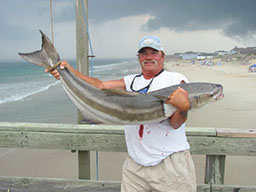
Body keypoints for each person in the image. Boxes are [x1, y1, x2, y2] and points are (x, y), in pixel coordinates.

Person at [46, 36, 196, 192]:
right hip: (135, 164)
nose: (149, 57)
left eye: (154, 52)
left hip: (169, 163)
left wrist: (183, 108)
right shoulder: (131, 81)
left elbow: (176, 124)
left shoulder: (176, 80)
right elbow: (100, 85)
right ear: (138, 58)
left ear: (162, 56)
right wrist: (66, 71)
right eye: (143, 53)